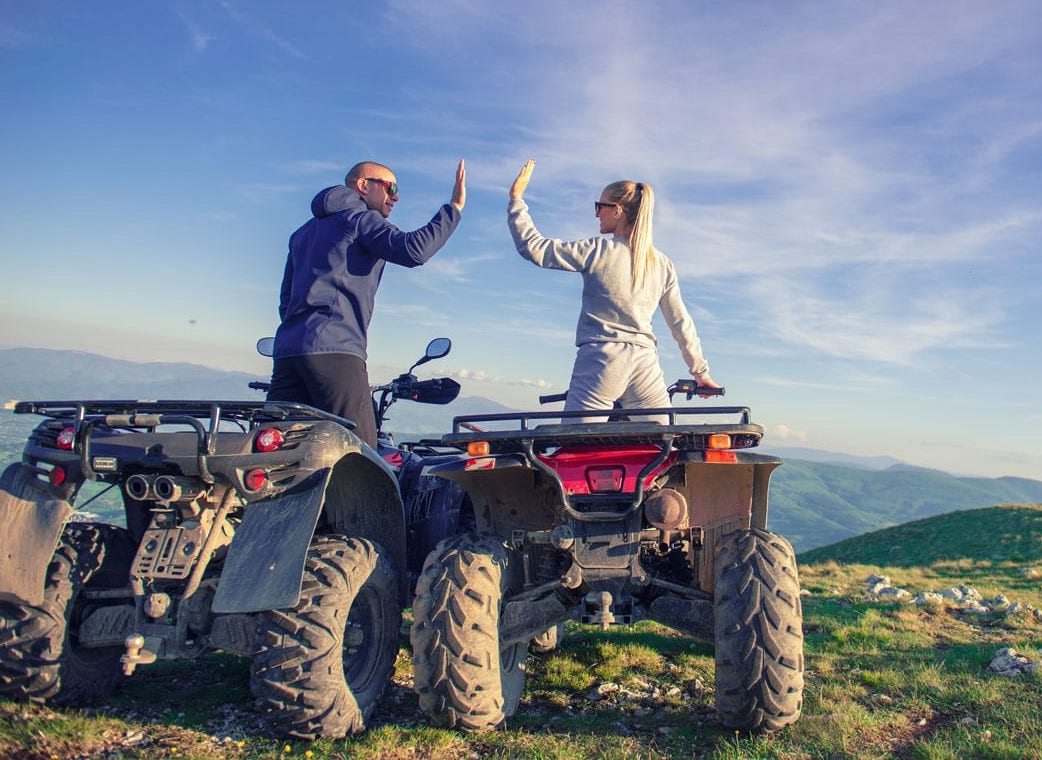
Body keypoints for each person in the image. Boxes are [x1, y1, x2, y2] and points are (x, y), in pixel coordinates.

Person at [267, 159, 466, 448]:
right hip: (336, 351)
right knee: (360, 454)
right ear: (363, 185)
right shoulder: (360, 220)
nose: (395, 197)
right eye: (390, 188)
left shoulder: (302, 233)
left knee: (281, 451)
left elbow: (286, 299)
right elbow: (414, 250)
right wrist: (454, 209)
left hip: (287, 353)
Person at [507, 158, 720, 421]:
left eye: (600, 206)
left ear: (617, 211)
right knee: (660, 441)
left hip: (601, 362)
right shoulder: (662, 264)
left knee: (575, 443)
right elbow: (680, 323)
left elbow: (534, 248)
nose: (596, 213)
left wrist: (516, 200)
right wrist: (700, 373)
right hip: (645, 367)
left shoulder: (598, 250)